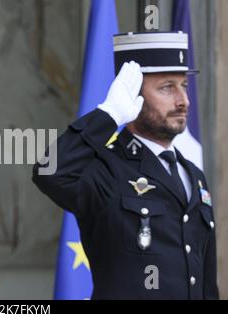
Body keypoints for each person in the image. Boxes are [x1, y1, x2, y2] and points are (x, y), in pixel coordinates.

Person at [33, 32, 219, 299]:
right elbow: (49, 171)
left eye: (184, 86)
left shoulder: (194, 176)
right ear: (133, 96)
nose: (183, 101)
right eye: (167, 87)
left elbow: (205, 283)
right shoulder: (107, 168)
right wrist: (109, 114)